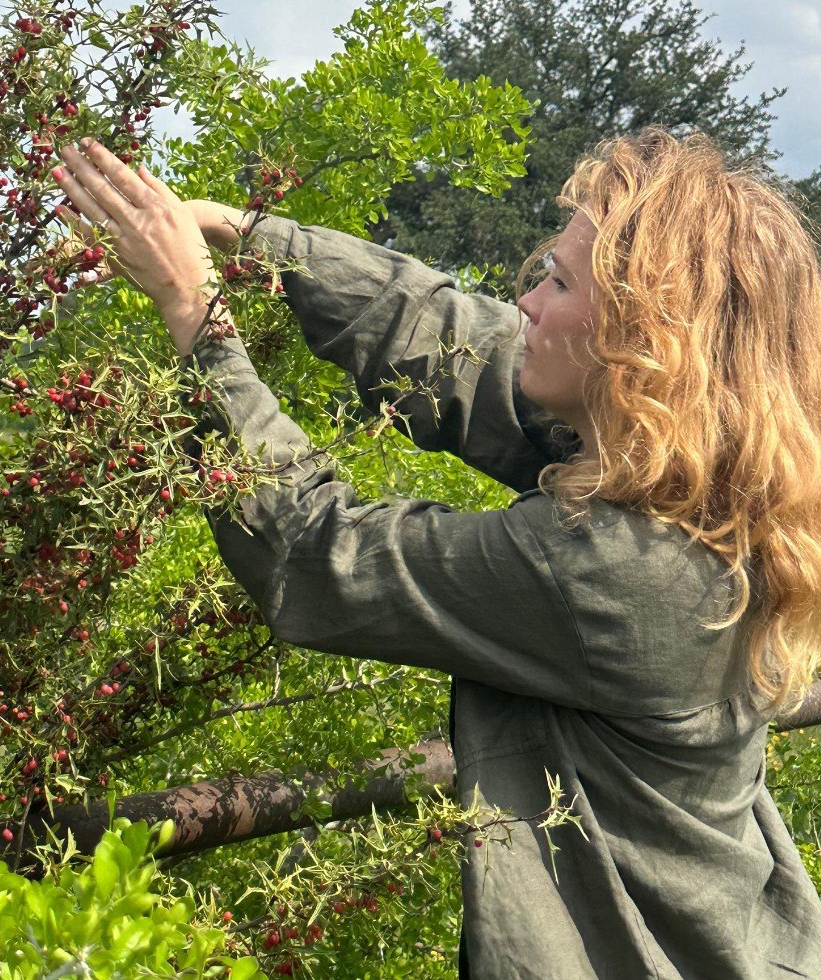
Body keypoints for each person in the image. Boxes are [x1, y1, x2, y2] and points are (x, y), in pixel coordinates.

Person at [52, 127, 821, 978]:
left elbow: (311, 551)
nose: (526, 302)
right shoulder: (719, 487)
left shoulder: (617, 569)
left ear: (645, 342)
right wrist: (250, 234)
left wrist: (195, 312)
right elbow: (461, 347)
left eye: (559, 282)